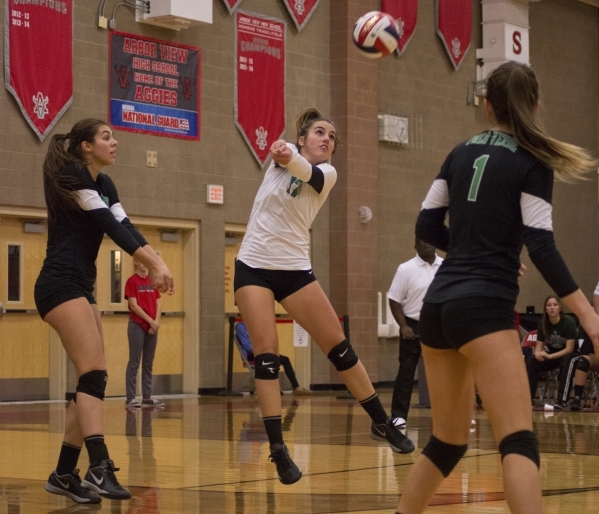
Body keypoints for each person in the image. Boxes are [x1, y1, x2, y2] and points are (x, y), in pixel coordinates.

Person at [395, 61, 599, 514]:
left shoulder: (459, 152)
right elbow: (541, 246)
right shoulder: (532, 162)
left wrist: (468, 250)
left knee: (447, 443)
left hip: (437, 307)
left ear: (487, 107)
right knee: (519, 441)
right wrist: (588, 314)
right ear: (535, 104)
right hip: (482, 308)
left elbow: (426, 225)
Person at [234, 108, 414, 486]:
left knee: (340, 349)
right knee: (266, 358)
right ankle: (279, 449)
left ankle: (381, 423)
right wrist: (282, 151)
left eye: (331, 136)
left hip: (295, 270)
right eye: (319, 132)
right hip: (253, 267)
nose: (327, 139)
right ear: (303, 138)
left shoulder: (327, 174)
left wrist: (290, 154)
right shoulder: (281, 164)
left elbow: (308, 172)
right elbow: (284, 158)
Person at [35, 119, 174, 505]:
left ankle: (64, 472)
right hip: (58, 283)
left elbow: (124, 223)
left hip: (80, 286)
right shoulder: (71, 174)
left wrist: (156, 259)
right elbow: (108, 226)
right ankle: (98, 464)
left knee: (91, 380)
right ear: (85, 145)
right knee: (93, 372)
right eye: (106, 137)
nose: (115, 142)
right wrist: (156, 264)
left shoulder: (106, 184)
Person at [387, 238, 443, 428]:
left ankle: (452, 414)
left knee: (444, 372)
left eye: (429, 239)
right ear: (415, 246)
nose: (426, 243)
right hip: (412, 327)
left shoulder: (446, 266)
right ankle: (398, 415)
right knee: (406, 372)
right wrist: (403, 326)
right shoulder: (405, 269)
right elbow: (394, 300)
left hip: (438, 326)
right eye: (421, 241)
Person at [124, 260, 165, 408]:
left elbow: (159, 302)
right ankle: (131, 398)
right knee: (135, 361)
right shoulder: (132, 281)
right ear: (135, 262)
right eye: (140, 261)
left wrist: (156, 322)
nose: (143, 264)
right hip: (137, 325)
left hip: (152, 326)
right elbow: (134, 305)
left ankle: (147, 396)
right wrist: (150, 321)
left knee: (148, 362)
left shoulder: (153, 280)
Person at [525, 295, 576, 408]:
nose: (552, 308)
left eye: (555, 305)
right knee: (531, 360)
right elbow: (539, 345)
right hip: (552, 356)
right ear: (545, 309)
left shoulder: (568, 322)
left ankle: (562, 400)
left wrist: (550, 356)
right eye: (549, 305)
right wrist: (538, 354)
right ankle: (529, 399)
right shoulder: (543, 323)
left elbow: (569, 349)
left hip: (569, 356)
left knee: (567, 360)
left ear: (560, 308)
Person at [235, 322, 312, 395]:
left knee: (284, 359)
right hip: (252, 355)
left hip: (261, 352)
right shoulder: (241, 326)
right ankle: (291, 387)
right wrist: (262, 349)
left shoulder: (254, 325)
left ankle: (296, 387)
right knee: (276, 359)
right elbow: (247, 346)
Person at [556, 324, 597, 410]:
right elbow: (584, 350)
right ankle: (577, 399)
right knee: (582, 361)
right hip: (595, 357)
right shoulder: (587, 323)